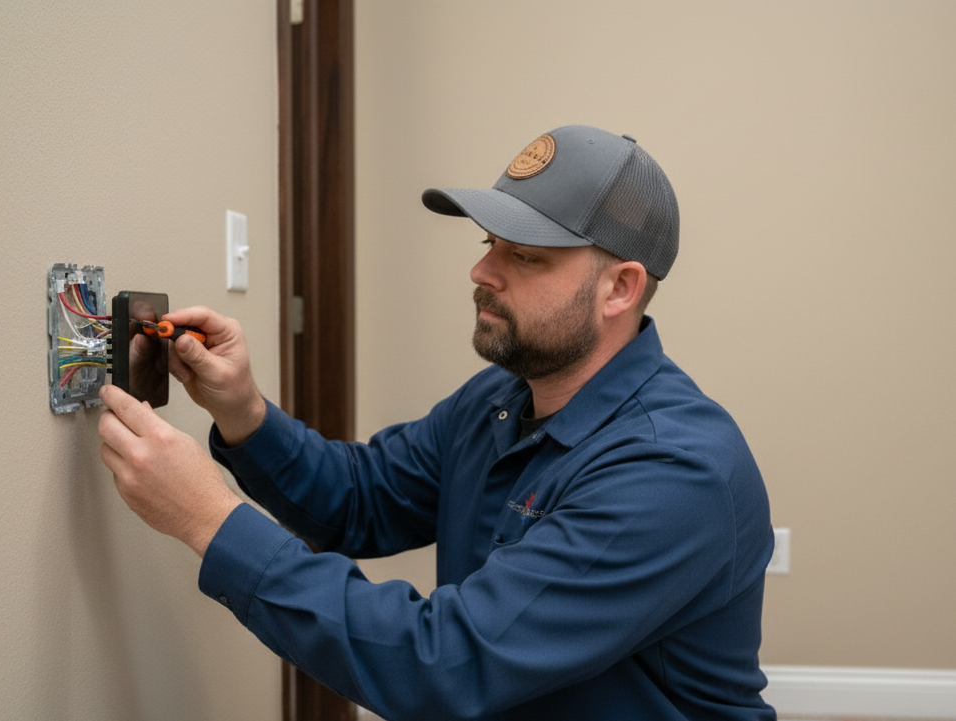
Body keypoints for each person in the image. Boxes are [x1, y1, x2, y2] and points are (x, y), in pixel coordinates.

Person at [98, 125, 777, 721]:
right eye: (489, 243)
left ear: (620, 288)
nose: (480, 270)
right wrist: (243, 413)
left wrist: (207, 520)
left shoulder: (672, 471)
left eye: (525, 256)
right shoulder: (500, 399)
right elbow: (361, 499)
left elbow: (444, 663)